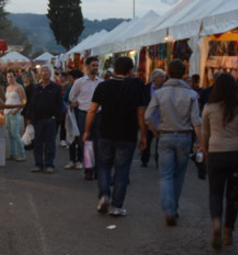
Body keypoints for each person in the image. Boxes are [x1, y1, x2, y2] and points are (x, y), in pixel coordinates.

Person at [84, 57, 147, 217]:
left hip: (105, 132)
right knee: (122, 170)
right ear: (130, 70)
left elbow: (92, 110)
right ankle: (117, 205)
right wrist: (143, 135)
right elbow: (140, 113)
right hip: (127, 134)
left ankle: (104, 195)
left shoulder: (103, 86)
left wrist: (86, 131)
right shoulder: (136, 87)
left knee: (104, 166)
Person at [201, 72, 238, 250]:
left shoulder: (209, 107)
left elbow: (205, 133)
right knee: (233, 194)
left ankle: (216, 221)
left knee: (215, 193)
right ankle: (228, 230)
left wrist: (204, 148)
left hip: (216, 153)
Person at [145, 59, 201, 227]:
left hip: (165, 135)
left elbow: (148, 115)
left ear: (168, 73)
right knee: (179, 175)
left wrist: (154, 130)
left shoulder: (160, 93)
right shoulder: (191, 94)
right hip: (184, 136)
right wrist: (200, 141)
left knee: (166, 174)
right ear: (184, 74)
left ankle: (168, 208)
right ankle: (174, 206)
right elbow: (196, 121)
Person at [68, 57, 103, 177]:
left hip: (98, 115)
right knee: (86, 142)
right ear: (87, 66)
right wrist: (80, 102)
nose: (95, 68)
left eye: (97, 66)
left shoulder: (101, 82)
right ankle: (89, 169)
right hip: (84, 114)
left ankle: (98, 170)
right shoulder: (80, 82)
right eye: (93, 65)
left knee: (98, 142)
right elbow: (72, 96)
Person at [30, 67, 63, 173]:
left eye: (47, 71)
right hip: (38, 120)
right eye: (43, 71)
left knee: (50, 143)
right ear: (40, 74)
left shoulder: (56, 87)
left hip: (51, 120)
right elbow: (31, 103)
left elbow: (60, 104)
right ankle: (38, 164)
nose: (45, 73)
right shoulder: (36, 88)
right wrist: (30, 118)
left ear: (51, 73)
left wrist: (56, 117)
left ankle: (49, 164)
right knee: (38, 143)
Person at [141, 69, 167, 168]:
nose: (164, 79)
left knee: (159, 143)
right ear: (154, 78)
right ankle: (144, 159)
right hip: (149, 120)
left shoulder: (166, 89)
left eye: (164, 77)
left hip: (161, 120)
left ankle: (158, 161)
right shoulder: (146, 88)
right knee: (147, 141)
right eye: (161, 77)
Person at [4, 71, 27, 162]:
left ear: (15, 77)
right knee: (10, 134)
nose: (10, 79)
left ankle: (22, 153)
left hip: (15, 113)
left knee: (15, 134)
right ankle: (12, 153)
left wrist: (17, 110)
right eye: (8, 77)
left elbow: (24, 101)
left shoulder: (19, 87)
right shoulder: (8, 88)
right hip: (7, 113)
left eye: (11, 77)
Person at [64, 69, 83, 168]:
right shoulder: (69, 87)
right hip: (72, 115)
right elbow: (64, 99)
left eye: (70, 78)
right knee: (71, 137)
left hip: (82, 116)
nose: (68, 80)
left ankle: (80, 161)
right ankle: (72, 160)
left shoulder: (83, 87)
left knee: (81, 139)